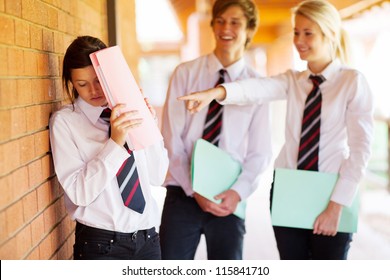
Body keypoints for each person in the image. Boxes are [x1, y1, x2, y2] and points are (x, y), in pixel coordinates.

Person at [179, 0, 374, 260]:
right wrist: (215, 93)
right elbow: (254, 89)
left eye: (308, 33)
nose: (299, 40)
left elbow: (361, 150)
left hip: (331, 193)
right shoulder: (293, 81)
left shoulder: (352, 82)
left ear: (329, 34)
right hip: (288, 191)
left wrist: (336, 206)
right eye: (296, 32)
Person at [160, 0, 272, 260]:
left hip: (229, 197)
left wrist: (237, 193)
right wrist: (194, 188)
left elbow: (260, 152)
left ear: (249, 29)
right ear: (212, 25)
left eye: (235, 22)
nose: (226, 28)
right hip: (183, 192)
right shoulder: (185, 74)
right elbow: (171, 138)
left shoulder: (257, 86)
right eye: (220, 20)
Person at [49, 36, 169, 260]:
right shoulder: (65, 122)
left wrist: (148, 124)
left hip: (148, 240)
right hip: (101, 245)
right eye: (81, 84)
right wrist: (115, 142)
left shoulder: (130, 110)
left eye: (98, 80)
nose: (93, 90)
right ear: (71, 83)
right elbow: (79, 193)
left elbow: (158, 175)